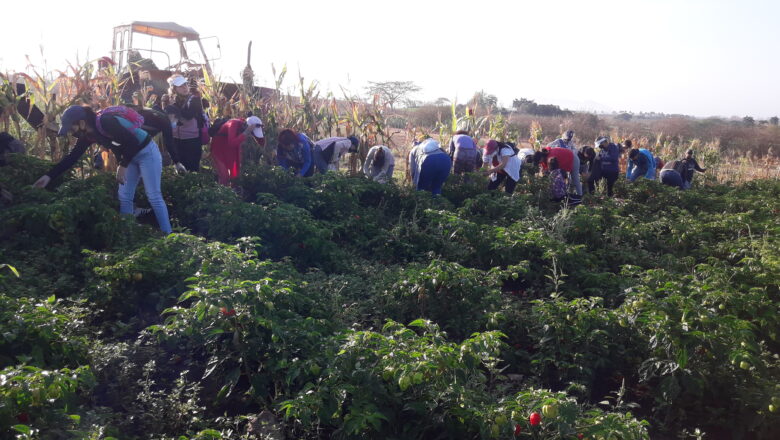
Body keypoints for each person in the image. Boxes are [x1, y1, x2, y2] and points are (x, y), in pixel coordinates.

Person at [32, 105, 171, 234]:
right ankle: (127, 233)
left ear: (81, 123)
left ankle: (168, 234)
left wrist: (122, 166)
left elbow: (133, 142)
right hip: (129, 158)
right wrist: (48, 176)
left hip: (146, 152)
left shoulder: (106, 122)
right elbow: (72, 157)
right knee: (124, 196)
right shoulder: (88, 135)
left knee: (153, 195)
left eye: (71, 128)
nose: (72, 133)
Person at [164, 75, 207, 172]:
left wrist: (173, 108)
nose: (184, 87)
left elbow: (188, 116)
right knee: (180, 169)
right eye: (180, 86)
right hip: (177, 140)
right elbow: (168, 118)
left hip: (193, 139)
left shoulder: (194, 99)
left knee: (192, 169)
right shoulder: (171, 101)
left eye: (185, 84)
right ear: (174, 89)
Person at [209, 116, 265, 185]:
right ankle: (221, 194)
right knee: (224, 176)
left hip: (230, 150)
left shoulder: (244, 127)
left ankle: (232, 193)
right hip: (218, 150)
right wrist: (246, 132)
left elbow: (260, 141)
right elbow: (232, 143)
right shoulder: (233, 124)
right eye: (252, 132)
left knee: (234, 176)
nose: (251, 134)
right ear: (246, 126)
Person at [548, 130, 582, 195]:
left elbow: (575, 150)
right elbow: (549, 147)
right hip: (559, 164)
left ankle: (576, 195)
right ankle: (560, 194)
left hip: (569, 161)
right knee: (560, 179)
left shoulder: (571, 143)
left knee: (573, 180)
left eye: (569, 139)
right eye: (567, 139)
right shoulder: (558, 141)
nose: (568, 140)